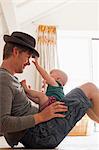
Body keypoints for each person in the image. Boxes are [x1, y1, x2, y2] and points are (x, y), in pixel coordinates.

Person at [0, 31, 99, 149]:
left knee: (86, 102)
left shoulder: (9, 79)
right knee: (90, 88)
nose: (28, 63)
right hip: (41, 133)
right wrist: (41, 116)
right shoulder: (3, 79)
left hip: (40, 131)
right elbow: (2, 123)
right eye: (27, 57)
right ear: (16, 52)